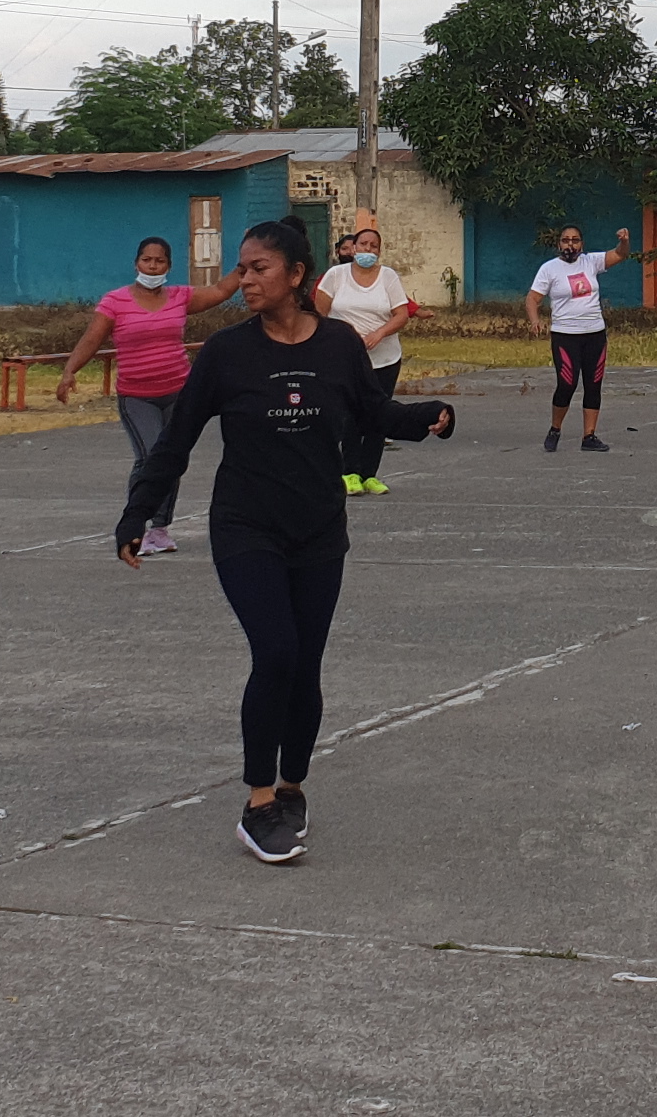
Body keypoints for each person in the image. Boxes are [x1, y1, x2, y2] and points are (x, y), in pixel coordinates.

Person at [115, 216, 457, 863]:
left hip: (319, 528)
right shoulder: (227, 353)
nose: (245, 280)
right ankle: (258, 803)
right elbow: (177, 439)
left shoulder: (338, 345)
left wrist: (427, 417)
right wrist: (138, 512)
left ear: (296, 275)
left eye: (259, 268)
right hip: (245, 525)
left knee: (305, 664)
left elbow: (372, 411)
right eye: (242, 268)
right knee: (275, 651)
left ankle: (293, 787)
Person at [51, 239, 241, 556]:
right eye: (146, 260)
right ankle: (134, 527)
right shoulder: (115, 302)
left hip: (177, 393)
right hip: (137, 397)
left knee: (172, 460)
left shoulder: (179, 297)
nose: (152, 267)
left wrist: (245, 264)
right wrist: (70, 371)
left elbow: (221, 291)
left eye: (159, 261)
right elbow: (92, 339)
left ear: (168, 266)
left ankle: (160, 530)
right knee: (151, 456)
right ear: (136, 263)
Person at [315, 220, 420, 494]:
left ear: (379, 251)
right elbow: (319, 314)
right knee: (350, 414)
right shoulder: (336, 275)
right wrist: (342, 337)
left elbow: (401, 314)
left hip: (384, 358)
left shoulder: (388, 277)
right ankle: (349, 473)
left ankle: (369, 474)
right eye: (363, 244)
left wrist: (379, 333)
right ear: (353, 248)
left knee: (378, 413)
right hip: (346, 358)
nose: (368, 250)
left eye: (374, 246)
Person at [525, 222, 636, 453]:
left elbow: (619, 254)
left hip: (594, 334)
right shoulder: (549, 269)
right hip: (565, 336)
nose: (570, 245)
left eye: (575, 240)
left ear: (581, 244)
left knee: (593, 384)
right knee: (567, 384)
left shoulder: (591, 262)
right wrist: (535, 320)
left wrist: (624, 241)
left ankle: (589, 436)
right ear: (559, 244)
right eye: (566, 240)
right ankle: (555, 429)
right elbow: (532, 299)